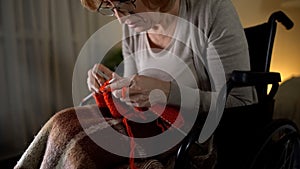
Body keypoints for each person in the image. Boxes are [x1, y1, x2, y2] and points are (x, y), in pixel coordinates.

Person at [15, 0, 257, 168]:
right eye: (111, 7)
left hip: (198, 138)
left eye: (124, 4)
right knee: (62, 124)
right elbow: (131, 96)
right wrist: (113, 85)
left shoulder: (211, 11)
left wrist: (166, 92)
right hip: (149, 125)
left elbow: (242, 103)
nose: (121, 18)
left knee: (83, 147)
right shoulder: (133, 27)